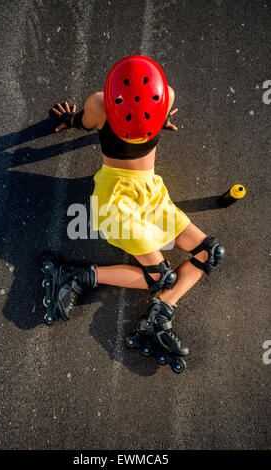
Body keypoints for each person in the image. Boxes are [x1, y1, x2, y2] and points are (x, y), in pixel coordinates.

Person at [46, 55, 224, 364]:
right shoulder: (101, 104)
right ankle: (76, 277)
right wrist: (73, 119)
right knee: (160, 277)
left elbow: (82, 122)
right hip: (115, 198)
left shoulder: (165, 97)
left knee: (211, 252)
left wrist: (154, 120)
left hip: (150, 191)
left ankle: (158, 316)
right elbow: (84, 122)